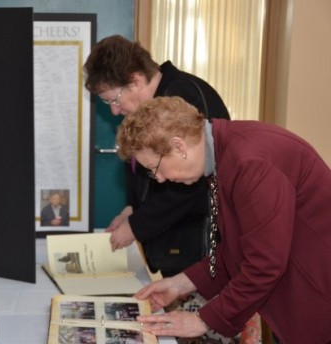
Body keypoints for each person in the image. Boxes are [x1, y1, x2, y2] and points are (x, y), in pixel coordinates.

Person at [115, 96, 331, 343]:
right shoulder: (222, 155)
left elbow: (264, 264)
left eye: (156, 168)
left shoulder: (250, 162)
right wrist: (181, 283)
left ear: (179, 147)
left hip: (319, 297)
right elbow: (237, 247)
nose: (160, 178)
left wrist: (202, 320)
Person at [83, 35, 230, 277]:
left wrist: (137, 226)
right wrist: (132, 208)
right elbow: (140, 167)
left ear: (136, 80)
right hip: (170, 240)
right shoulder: (150, 105)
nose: (114, 110)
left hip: (194, 243)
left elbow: (187, 181)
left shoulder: (180, 97)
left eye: (114, 100)